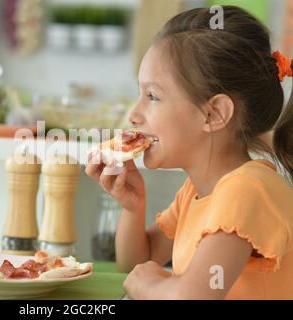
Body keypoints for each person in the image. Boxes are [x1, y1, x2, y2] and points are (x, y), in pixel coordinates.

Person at [86, 6, 293, 299]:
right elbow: (135, 264)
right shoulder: (194, 193)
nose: (133, 115)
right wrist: (133, 207)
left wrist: (150, 286)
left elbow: (192, 297)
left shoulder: (247, 190)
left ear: (214, 114)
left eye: (153, 96)